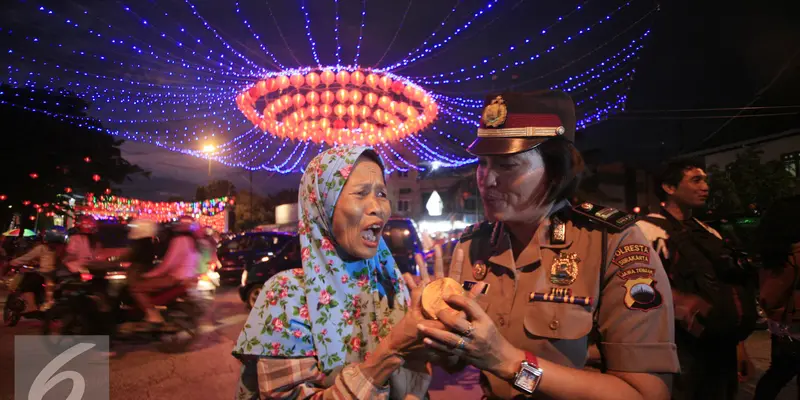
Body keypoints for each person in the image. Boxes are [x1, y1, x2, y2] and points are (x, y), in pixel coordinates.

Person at [417, 90, 680, 399]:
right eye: (484, 164)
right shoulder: (473, 246)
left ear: (557, 171)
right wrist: (440, 337)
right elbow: (459, 363)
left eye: (507, 165)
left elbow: (647, 393)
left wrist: (510, 364)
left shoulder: (613, 243)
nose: (486, 180)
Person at [231, 146, 479, 399]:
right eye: (361, 193)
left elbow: (436, 366)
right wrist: (391, 349)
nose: (378, 208)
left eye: (382, 193)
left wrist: (446, 334)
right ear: (323, 207)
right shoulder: (287, 295)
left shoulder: (393, 286)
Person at [636, 159, 758, 400]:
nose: (705, 187)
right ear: (669, 188)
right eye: (696, 180)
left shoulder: (709, 232)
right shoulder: (644, 232)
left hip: (720, 349)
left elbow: (727, 288)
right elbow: (637, 290)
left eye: (705, 180)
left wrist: (738, 347)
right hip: (677, 349)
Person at [753, 195, 800, 399]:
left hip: (785, 330)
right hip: (793, 329)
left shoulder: (777, 255)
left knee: (776, 376)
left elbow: (768, 298)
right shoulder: (794, 254)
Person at [128, 215, 199, 327]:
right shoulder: (192, 241)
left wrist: (149, 275)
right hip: (187, 277)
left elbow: (168, 264)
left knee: (136, 288)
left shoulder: (180, 240)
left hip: (175, 277)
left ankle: (153, 315)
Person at [10, 228, 68, 311]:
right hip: (60, 276)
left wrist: (12, 262)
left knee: (27, 285)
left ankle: (31, 307)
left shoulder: (42, 248)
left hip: (44, 275)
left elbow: (25, 258)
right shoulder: (65, 249)